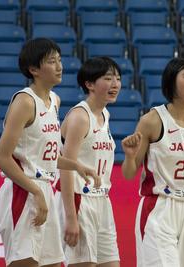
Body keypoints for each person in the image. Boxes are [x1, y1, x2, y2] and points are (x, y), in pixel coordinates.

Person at [0, 38, 99, 267]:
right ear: (34, 69)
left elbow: (44, 156)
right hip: (22, 191)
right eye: (52, 61)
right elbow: (2, 158)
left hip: (44, 189)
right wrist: (36, 192)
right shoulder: (24, 101)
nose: (60, 66)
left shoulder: (54, 100)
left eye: (60, 60)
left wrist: (77, 165)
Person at [121, 57, 184, 267]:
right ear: (171, 81)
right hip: (159, 208)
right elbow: (129, 174)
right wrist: (130, 156)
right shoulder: (152, 120)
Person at [55, 57, 121, 267]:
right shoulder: (79, 117)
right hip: (79, 199)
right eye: (108, 78)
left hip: (102, 201)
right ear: (89, 84)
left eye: (118, 79)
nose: (115, 84)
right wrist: (71, 218)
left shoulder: (106, 114)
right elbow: (66, 167)